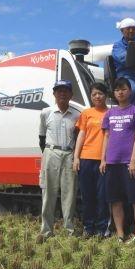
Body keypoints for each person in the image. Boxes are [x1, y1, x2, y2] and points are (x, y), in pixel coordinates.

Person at [100, 77, 135, 243]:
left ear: (130, 91)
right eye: (117, 89)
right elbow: (106, 137)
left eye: (124, 89)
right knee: (115, 200)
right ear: (114, 93)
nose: (120, 92)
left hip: (129, 163)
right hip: (112, 163)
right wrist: (103, 159)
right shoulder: (109, 113)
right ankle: (120, 234)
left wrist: (134, 160)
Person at [38, 80, 79, 238]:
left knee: (69, 194)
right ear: (54, 94)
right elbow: (41, 138)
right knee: (48, 193)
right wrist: (49, 153)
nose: (62, 93)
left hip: (70, 154)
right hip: (51, 152)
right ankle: (46, 231)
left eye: (66, 91)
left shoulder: (77, 115)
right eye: (59, 90)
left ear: (71, 95)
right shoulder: (45, 113)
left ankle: (69, 230)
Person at [73, 83, 109, 238]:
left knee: (102, 196)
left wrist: (105, 159)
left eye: (100, 93)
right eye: (94, 94)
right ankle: (88, 227)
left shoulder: (111, 113)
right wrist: (76, 157)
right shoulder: (86, 113)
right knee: (88, 196)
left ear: (105, 95)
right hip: (86, 159)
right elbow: (81, 135)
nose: (97, 97)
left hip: (104, 161)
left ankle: (101, 229)